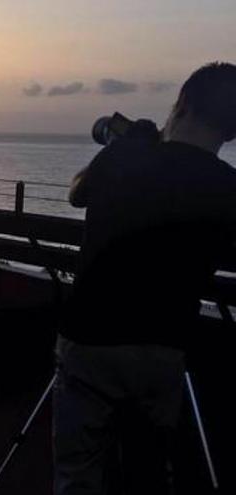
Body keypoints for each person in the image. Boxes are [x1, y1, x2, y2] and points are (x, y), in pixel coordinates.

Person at [56, 62, 236, 494]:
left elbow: (77, 194)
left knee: (76, 472)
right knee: (148, 471)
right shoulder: (228, 186)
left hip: (89, 339)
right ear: (230, 133)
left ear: (183, 104)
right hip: (163, 347)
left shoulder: (130, 150)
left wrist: (134, 142)